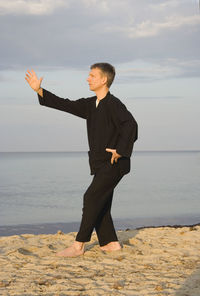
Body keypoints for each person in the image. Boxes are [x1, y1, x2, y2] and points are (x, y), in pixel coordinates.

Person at [25, 63, 138, 257]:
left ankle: (79, 245)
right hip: (100, 163)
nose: (88, 78)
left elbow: (131, 125)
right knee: (101, 202)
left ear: (104, 80)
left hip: (114, 164)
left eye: (92, 75)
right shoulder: (90, 104)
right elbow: (65, 104)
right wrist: (39, 90)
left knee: (91, 197)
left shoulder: (114, 104)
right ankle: (110, 243)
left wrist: (120, 150)